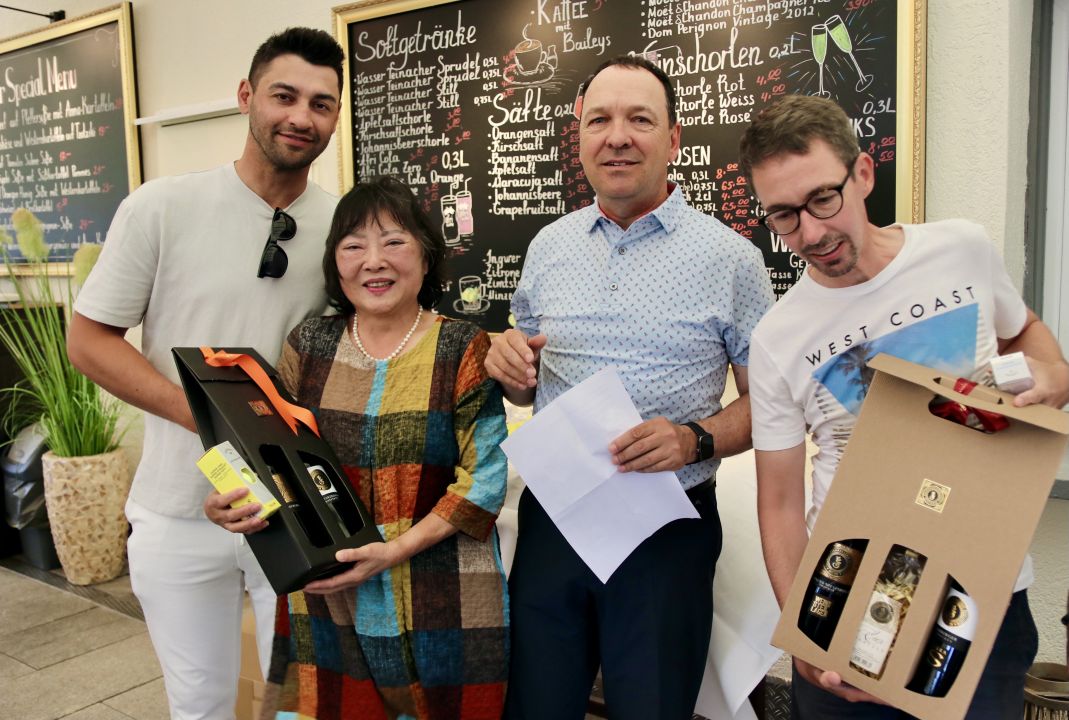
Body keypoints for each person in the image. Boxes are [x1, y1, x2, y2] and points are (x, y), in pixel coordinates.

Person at [739, 93, 1069, 719]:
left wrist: (1054, 379)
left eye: (822, 199)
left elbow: (1024, 331)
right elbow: (778, 503)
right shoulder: (778, 337)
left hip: (981, 591)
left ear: (863, 173)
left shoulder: (962, 250)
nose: (810, 233)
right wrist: (802, 632)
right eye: (783, 215)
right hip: (852, 598)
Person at [485, 55, 774, 719]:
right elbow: (526, 386)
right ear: (579, 136)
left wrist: (694, 439)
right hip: (556, 516)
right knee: (535, 706)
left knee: (651, 707)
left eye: (639, 120)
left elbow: (772, 405)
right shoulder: (547, 246)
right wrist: (511, 370)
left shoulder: (731, 259)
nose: (617, 137)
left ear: (673, 139)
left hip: (665, 529)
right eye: (600, 120)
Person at [66, 27, 343, 719]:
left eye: (321, 103)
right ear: (246, 96)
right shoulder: (161, 206)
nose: (301, 117)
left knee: (302, 705)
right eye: (284, 96)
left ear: (337, 115)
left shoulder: (343, 227)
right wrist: (211, 422)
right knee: (201, 705)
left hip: (298, 511)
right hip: (178, 511)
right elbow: (89, 340)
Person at [206, 176, 510, 720]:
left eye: (394, 241)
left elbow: (485, 477)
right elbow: (271, 455)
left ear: (425, 255)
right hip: (330, 590)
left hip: (442, 593)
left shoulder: (464, 346)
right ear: (335, 263)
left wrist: (394, 550)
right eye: (353, 246)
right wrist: (234, 496)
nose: (374, 261)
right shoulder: (309, 345)